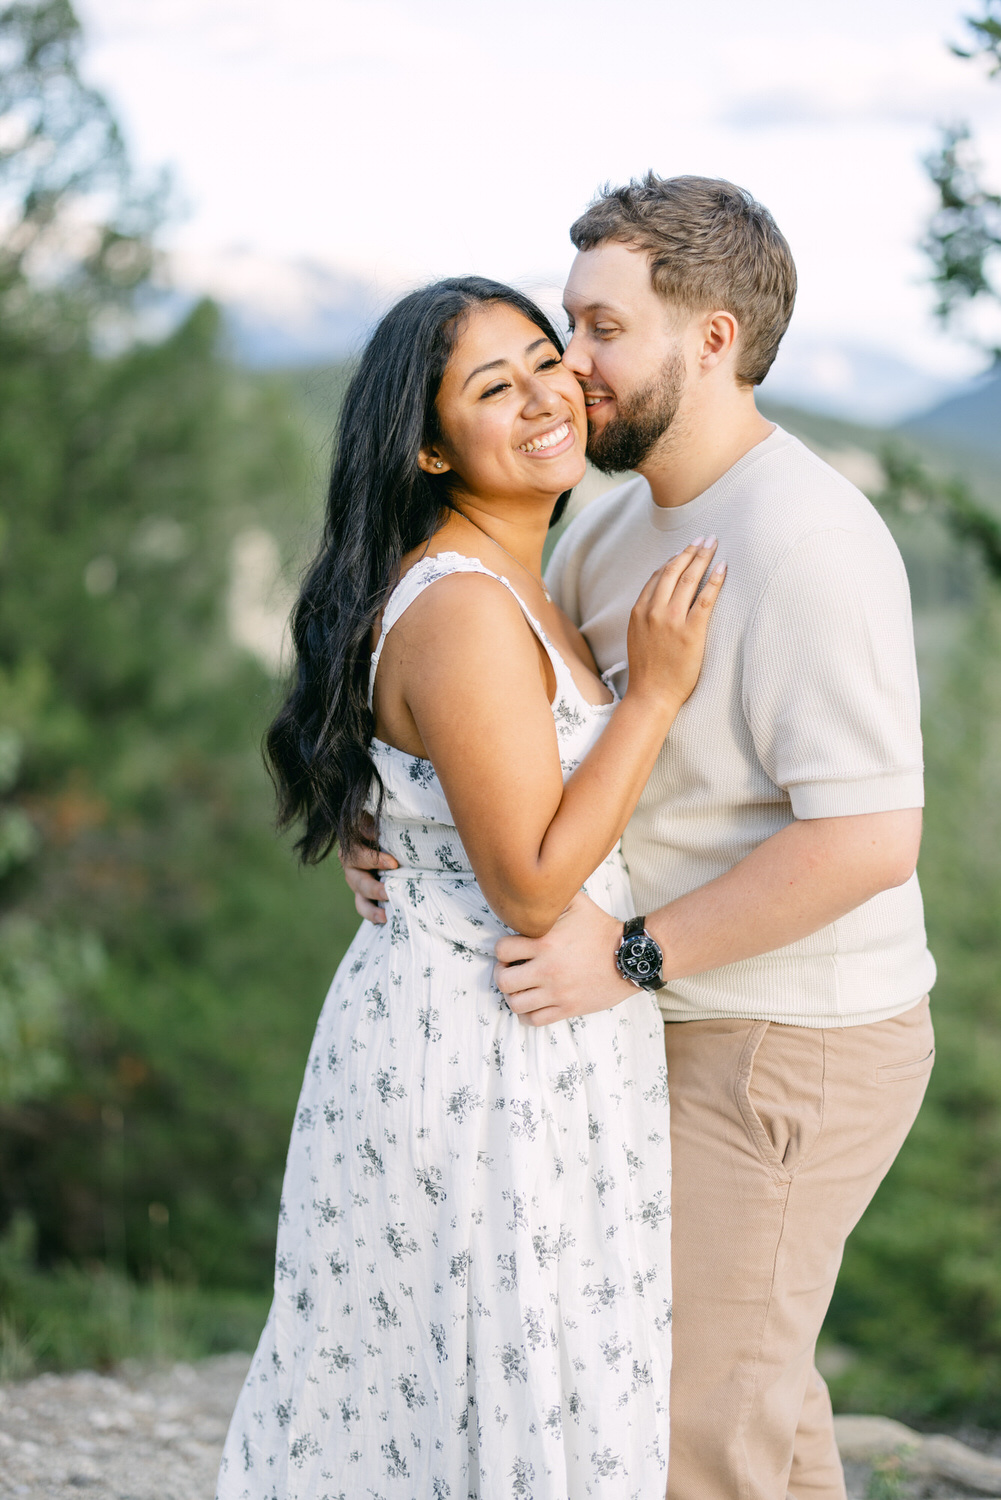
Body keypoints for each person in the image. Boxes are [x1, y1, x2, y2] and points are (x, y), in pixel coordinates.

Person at [343, 178, 936, 1500]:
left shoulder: (811, 539)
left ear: (711, 339)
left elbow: (867, 839)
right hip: (654, 1018)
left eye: (602, 331)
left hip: (789, 1039)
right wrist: (388, 821)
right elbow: (507, 724)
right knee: (746, 1404)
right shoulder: (611, 525)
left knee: (683, 1427)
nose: (573, 371)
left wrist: (636, 959)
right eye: (564, 332)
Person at [217, 275, 726, 1500]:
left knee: (499, 1393)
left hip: (530, 1050)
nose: (546, 393)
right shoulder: (465, 610)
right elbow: (535, 888)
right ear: (432, 448)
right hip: (480, 1057)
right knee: (473, 1394)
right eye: (492, 388)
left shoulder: (514, 584)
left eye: (547, 359)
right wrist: (652, 694)